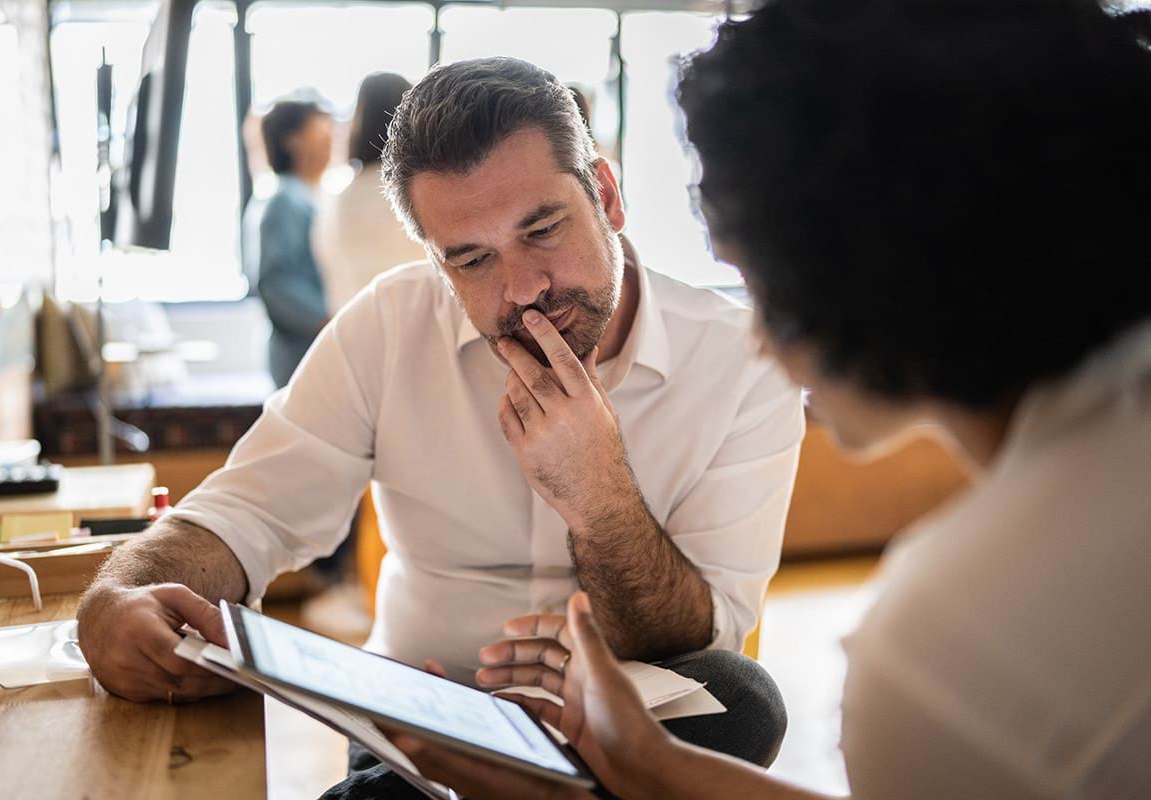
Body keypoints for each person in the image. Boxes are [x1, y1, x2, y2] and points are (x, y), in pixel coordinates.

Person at [385, 1, 1151, 798]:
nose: (759, 340)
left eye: (763, 285)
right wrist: (650, 766)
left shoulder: (949, 649)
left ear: (870, 263)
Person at [75, 57, 805, 797]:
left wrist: (600, 494)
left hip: (622, 717)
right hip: (429, 713)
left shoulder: (743, 362)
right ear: (436, 259)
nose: (523, 291)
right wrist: (117, 597)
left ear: (607, 196)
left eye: (543, 229)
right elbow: (242, 514)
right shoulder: (389, 326)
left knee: (742, 700)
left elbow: (701, 638)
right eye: (472, 259)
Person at [312, 72, 425, 315]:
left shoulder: (336, 196)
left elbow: (328, 270)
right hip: (416, 323)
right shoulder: (416, 190)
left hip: (351, 326)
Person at [255, 97, 334, 388]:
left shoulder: (310, 196)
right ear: (293, 141)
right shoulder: (283, 201)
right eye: (320, 129)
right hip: (300, 354)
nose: (330, 136)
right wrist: (328, 318)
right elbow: (276, 283)